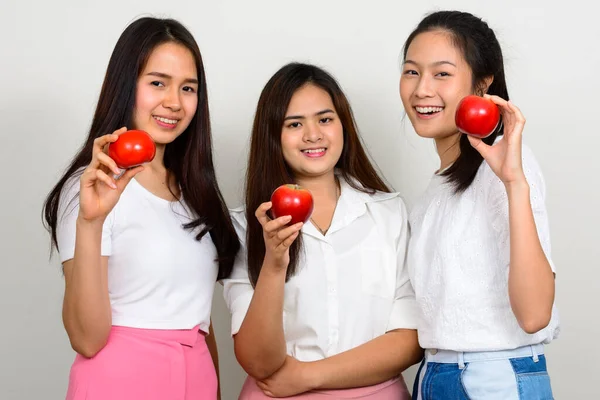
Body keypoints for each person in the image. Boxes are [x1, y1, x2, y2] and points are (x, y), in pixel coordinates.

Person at [42, 17, 239, 400]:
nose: (174, 103)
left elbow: (199, 317)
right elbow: (86, 338)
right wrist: (90, 223)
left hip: (196, 377)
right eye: (157, 83)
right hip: (121, 381)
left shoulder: (193, 191)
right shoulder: (92, 186)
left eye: (188, 88)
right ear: (125, 86)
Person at [223, 62, 422, 399]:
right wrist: (274, 263)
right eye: (294, 124)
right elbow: (258, 360)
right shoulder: (246, 226)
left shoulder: (388, 212)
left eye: (325, 119)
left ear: (343, 125)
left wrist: (308, 376)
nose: (313, 134)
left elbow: (410, 339)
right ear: (273, 135)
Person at [399, 10, 559, 399]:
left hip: (493, 378)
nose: (422, 90)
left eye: (442, 73)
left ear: (482, 83)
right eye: (411, 71)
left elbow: (535, 314)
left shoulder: (507, 165)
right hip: (436, 374)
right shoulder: (433, 194)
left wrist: (514, 184)